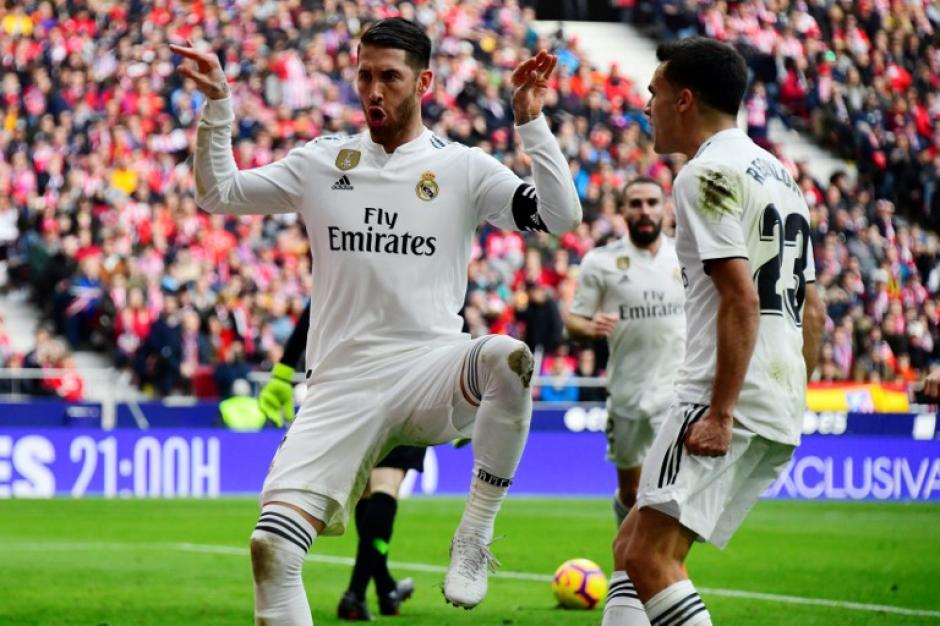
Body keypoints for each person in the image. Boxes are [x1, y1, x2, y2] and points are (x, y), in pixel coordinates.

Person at [171, 17, 581, 625]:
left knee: (510, 359)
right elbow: (218, 193)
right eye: (364, 75)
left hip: (430, 369)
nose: (373, 90)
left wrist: (530, 121)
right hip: (340, 385)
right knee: (271, 550)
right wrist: (218, 107)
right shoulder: (320, 162)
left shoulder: (462, 167)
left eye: (389, 76)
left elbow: (561, 215)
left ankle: (475, 532)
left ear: (425, 83)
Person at [602, 37, 825, 626]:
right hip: (775, 395)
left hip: (718, 393)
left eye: (654, 93)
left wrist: (722, 410)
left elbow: (739, 297)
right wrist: (792, 393)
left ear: (684, 99)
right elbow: (814, 305)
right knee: (631, 549)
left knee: (650, 559)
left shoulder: (705, 174)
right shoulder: (780, 174)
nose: (645, 104)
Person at [258, 302, 418, 620]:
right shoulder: (416, 264)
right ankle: (355, 594)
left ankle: (384, 586)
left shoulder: (346, 259)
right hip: (404, 378)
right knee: (385, 486)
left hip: (348, 384)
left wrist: (284, 369)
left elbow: (315, 304)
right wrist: (465, 397)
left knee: (368, 494)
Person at [566, 177, 684, 527]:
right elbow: (574, 320)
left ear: (665, 208)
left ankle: (661, 568)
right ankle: (628, 561)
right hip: (628, 391)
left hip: (677, 392)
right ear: (622, 211)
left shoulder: (687, 256)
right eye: (635, 203)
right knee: (631, 493)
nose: (644, 210)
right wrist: (589, 327)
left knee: (669, 492)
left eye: (651, 202)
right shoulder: (600, 263)